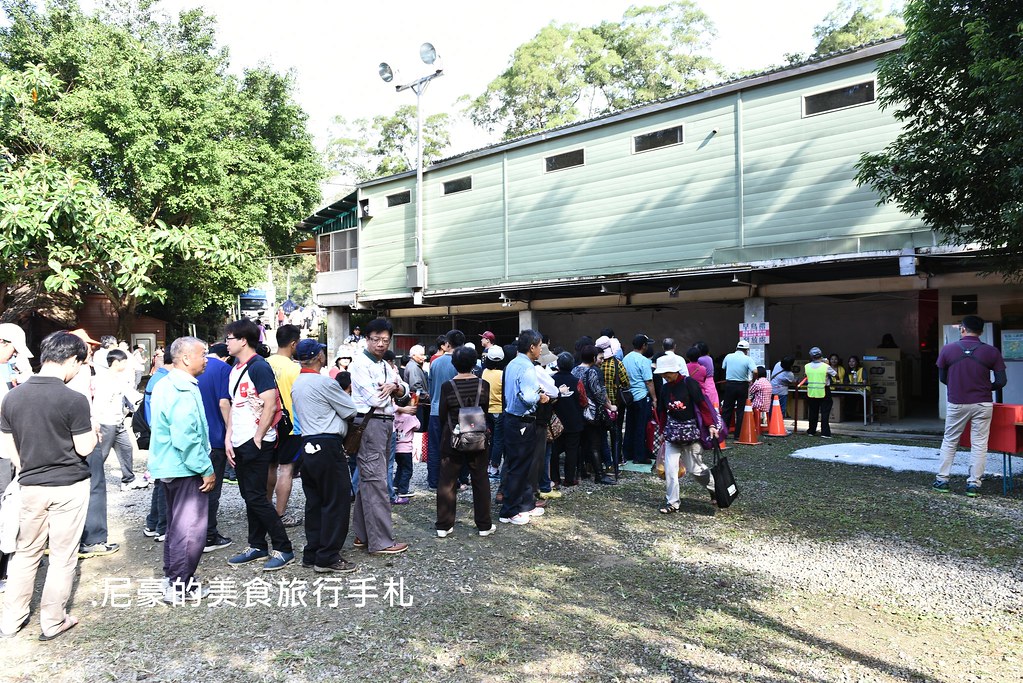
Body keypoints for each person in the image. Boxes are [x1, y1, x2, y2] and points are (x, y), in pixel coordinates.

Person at [0, 331, 95, 640]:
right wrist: (95, 432)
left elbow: (7, 449)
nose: (79, 370)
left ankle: (12, 620)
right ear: (71, 359)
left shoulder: (12, 396)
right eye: (80, 363)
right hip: (68, 485)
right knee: (62, 556)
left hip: (29, 485)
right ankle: (53, 621)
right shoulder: (73, 399)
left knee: (25, 553)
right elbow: (84, 448)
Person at [148, 337, 217, 603]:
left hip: (171, 465)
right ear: (187, 358)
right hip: (184, 467)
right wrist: (205, 468)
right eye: (203, 354)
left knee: (178, 526)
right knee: (190, 529)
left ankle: (175, 578)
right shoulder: (181, 387)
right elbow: (186, 436)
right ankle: (179, 585)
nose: (206, 359)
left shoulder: (168, 383)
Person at [224, 319, 295, 571]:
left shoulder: (259, 366)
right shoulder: (235, 366)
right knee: (249, 496)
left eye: (230, 338)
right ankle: (256, 545)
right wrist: (229, 437)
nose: (227, 342)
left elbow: (271, 403)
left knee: (256, 496)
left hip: (257, 441)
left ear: (243, 340)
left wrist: (258, 436)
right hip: (239, 439)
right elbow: (233, 404)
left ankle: (283, 547)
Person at [290, 339, 359, 572]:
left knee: (315, 501)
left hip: (308, 443)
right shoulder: (324, 382)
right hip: (328, 444)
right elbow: (350, 410)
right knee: (336, 501)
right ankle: (328, 556)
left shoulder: (298, 382)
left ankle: (313, 551)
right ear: (319, 356)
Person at [348, 317, 410, 555]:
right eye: (376, 339)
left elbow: (404, 390)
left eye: (385, 340)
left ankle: (363, 535)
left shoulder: (385, 364)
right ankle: (381, 541)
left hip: (385, 424)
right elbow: (375, 399)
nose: (381, 344)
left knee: (369, 480)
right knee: (376, 481)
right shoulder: (359, 363)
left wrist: (394, 387)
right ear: (367, 339)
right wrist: (392, 388)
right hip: (369, 424)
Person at [932, 315, 1007, 497]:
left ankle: (942, 480)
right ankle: (973, 484)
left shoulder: (948, 349)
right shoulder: (991, 352)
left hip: (957, 402)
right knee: (979, 444)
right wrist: (984, 388)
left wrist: (960, 385)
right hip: (983, 403)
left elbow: (943, 378)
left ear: (962, 329)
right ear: (981, 331)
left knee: (950, 441)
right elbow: (1001, 381)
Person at [435, 346, 495, 538]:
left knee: (447, 481)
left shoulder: (447, 386)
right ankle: (484, 525)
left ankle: (444, 525)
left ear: (454, 364)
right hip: (477, 436)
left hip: (453, 437)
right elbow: (483, 409)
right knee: (480, 479)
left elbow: (442, 414)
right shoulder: (483, 385)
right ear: (474, 363)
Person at [653, 354, 721, 514]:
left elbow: (703, 405)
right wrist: (662, 431)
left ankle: (715, 488)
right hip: (672, 434)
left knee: (696, 469)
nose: (665, 376)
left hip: (691, 435)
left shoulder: (689, 383)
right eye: (662, 374)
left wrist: (710, 424)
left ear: (674, 370)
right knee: (670, 469)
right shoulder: (664, 388)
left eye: (666, 373)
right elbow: (662, 412)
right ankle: (673, 503)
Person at [499, 329, 550, 526]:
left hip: (511, 418)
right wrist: (541, 397)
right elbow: (528, 397)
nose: (541, 350)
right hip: (522, 420)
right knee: (519, 467)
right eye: (540, 346)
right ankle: (509, 511)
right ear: (532, 347)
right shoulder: (527, 367)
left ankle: (525, 504)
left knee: (519, 464)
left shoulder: (513, 363)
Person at [196, 341, 233, 554]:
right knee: (211, 489)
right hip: (216, 438)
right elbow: (223, 403)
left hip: (192, 439)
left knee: (192, 489)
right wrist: (230, 432)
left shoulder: (185, 371)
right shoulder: (223, 369)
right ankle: (208, 535)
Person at [92, 348, 146, 491]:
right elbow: (99, 403)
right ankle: (90, 482)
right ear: (116, 363)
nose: (126, 365)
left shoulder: (118, 378)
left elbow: (131, 396)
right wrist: (96, 422)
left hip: (118, 422)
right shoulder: (105, 380)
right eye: (124, 362)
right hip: (107, 423)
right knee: (101, 454)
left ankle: (128, 479)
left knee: (126, 448)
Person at [266, 325, 303, 528]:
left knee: (269, 466)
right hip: (290, 424)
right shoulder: (295, 368)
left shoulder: (263, 363)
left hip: (268, 423)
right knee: (286, 469)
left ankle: (265, 508)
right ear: (293, 343)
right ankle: (280, 513)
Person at [572, 346, 617, 485]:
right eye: (600, 358)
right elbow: (598, 393)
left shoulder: (575, 370)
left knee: (581, 444)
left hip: (578, 412)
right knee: (594, 444)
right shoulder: (592, 372)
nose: (601, 361)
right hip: (591, 413)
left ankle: (580, 471)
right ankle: (599, 474)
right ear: (593, 358)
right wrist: (610, 406)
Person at [427, 330, 462, 490]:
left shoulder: (435, 363)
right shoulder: (460, 363)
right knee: (453, 446)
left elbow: (430, 386)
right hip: (453, 412)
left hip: (434, 409)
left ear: (447, 344)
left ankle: (433, 480)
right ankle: (452, 480)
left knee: (434, 447)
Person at [551, 352, 584, 488]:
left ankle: (555, 478)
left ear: (558, 365)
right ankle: (569, 479)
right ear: (572, 366)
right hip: (573, 421)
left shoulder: (551, 380)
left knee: (553, 451)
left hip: (554, 422)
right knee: (572, 451)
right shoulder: (577, 381)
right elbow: (583, 401)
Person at [596, 335, 629, 467]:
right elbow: (626, 382)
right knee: (616, 433)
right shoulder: (617, 363)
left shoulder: (597, 365)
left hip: (601, 404)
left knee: (602, 433)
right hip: (616, 404)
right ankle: (617, 458)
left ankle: (604, 459)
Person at [623, 334, 656, 464]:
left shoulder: (626, 358)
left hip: (629, 397)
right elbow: (649, 381)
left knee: (630, 426)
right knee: (640, 427)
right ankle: (639, 456)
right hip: (641, 396)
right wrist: (654, 398)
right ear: (644, 346)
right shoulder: (643, 360)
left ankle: (627, 453)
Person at [721, 340, 757, 436]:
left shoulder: (728, 356)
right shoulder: (748, 359)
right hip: (742, 386)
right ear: (746, 350)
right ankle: (738, 434)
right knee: (741, 410)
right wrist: (753, 380)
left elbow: (723, 367)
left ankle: (723, 433)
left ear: (736, 348)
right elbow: (755, 371)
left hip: (729, 385)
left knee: (727, 409)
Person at [481, 346, 505, 478]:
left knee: (489, 439)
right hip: (498, 409)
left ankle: (487, 465)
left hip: (486, 410)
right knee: (498, 440)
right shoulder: (502, 375)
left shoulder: (485, 372)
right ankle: (494, 467)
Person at [802, 346, 837, 438]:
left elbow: (806, 376)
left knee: (813, 412)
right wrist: (826, 363)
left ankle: (811, 431)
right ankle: (825, 433)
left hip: (812, 391)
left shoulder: (807, 366)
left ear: (811, 356)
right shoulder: (826, 366)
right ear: (821, 355)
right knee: (825, 412)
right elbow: (835, 375)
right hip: (824, 391)